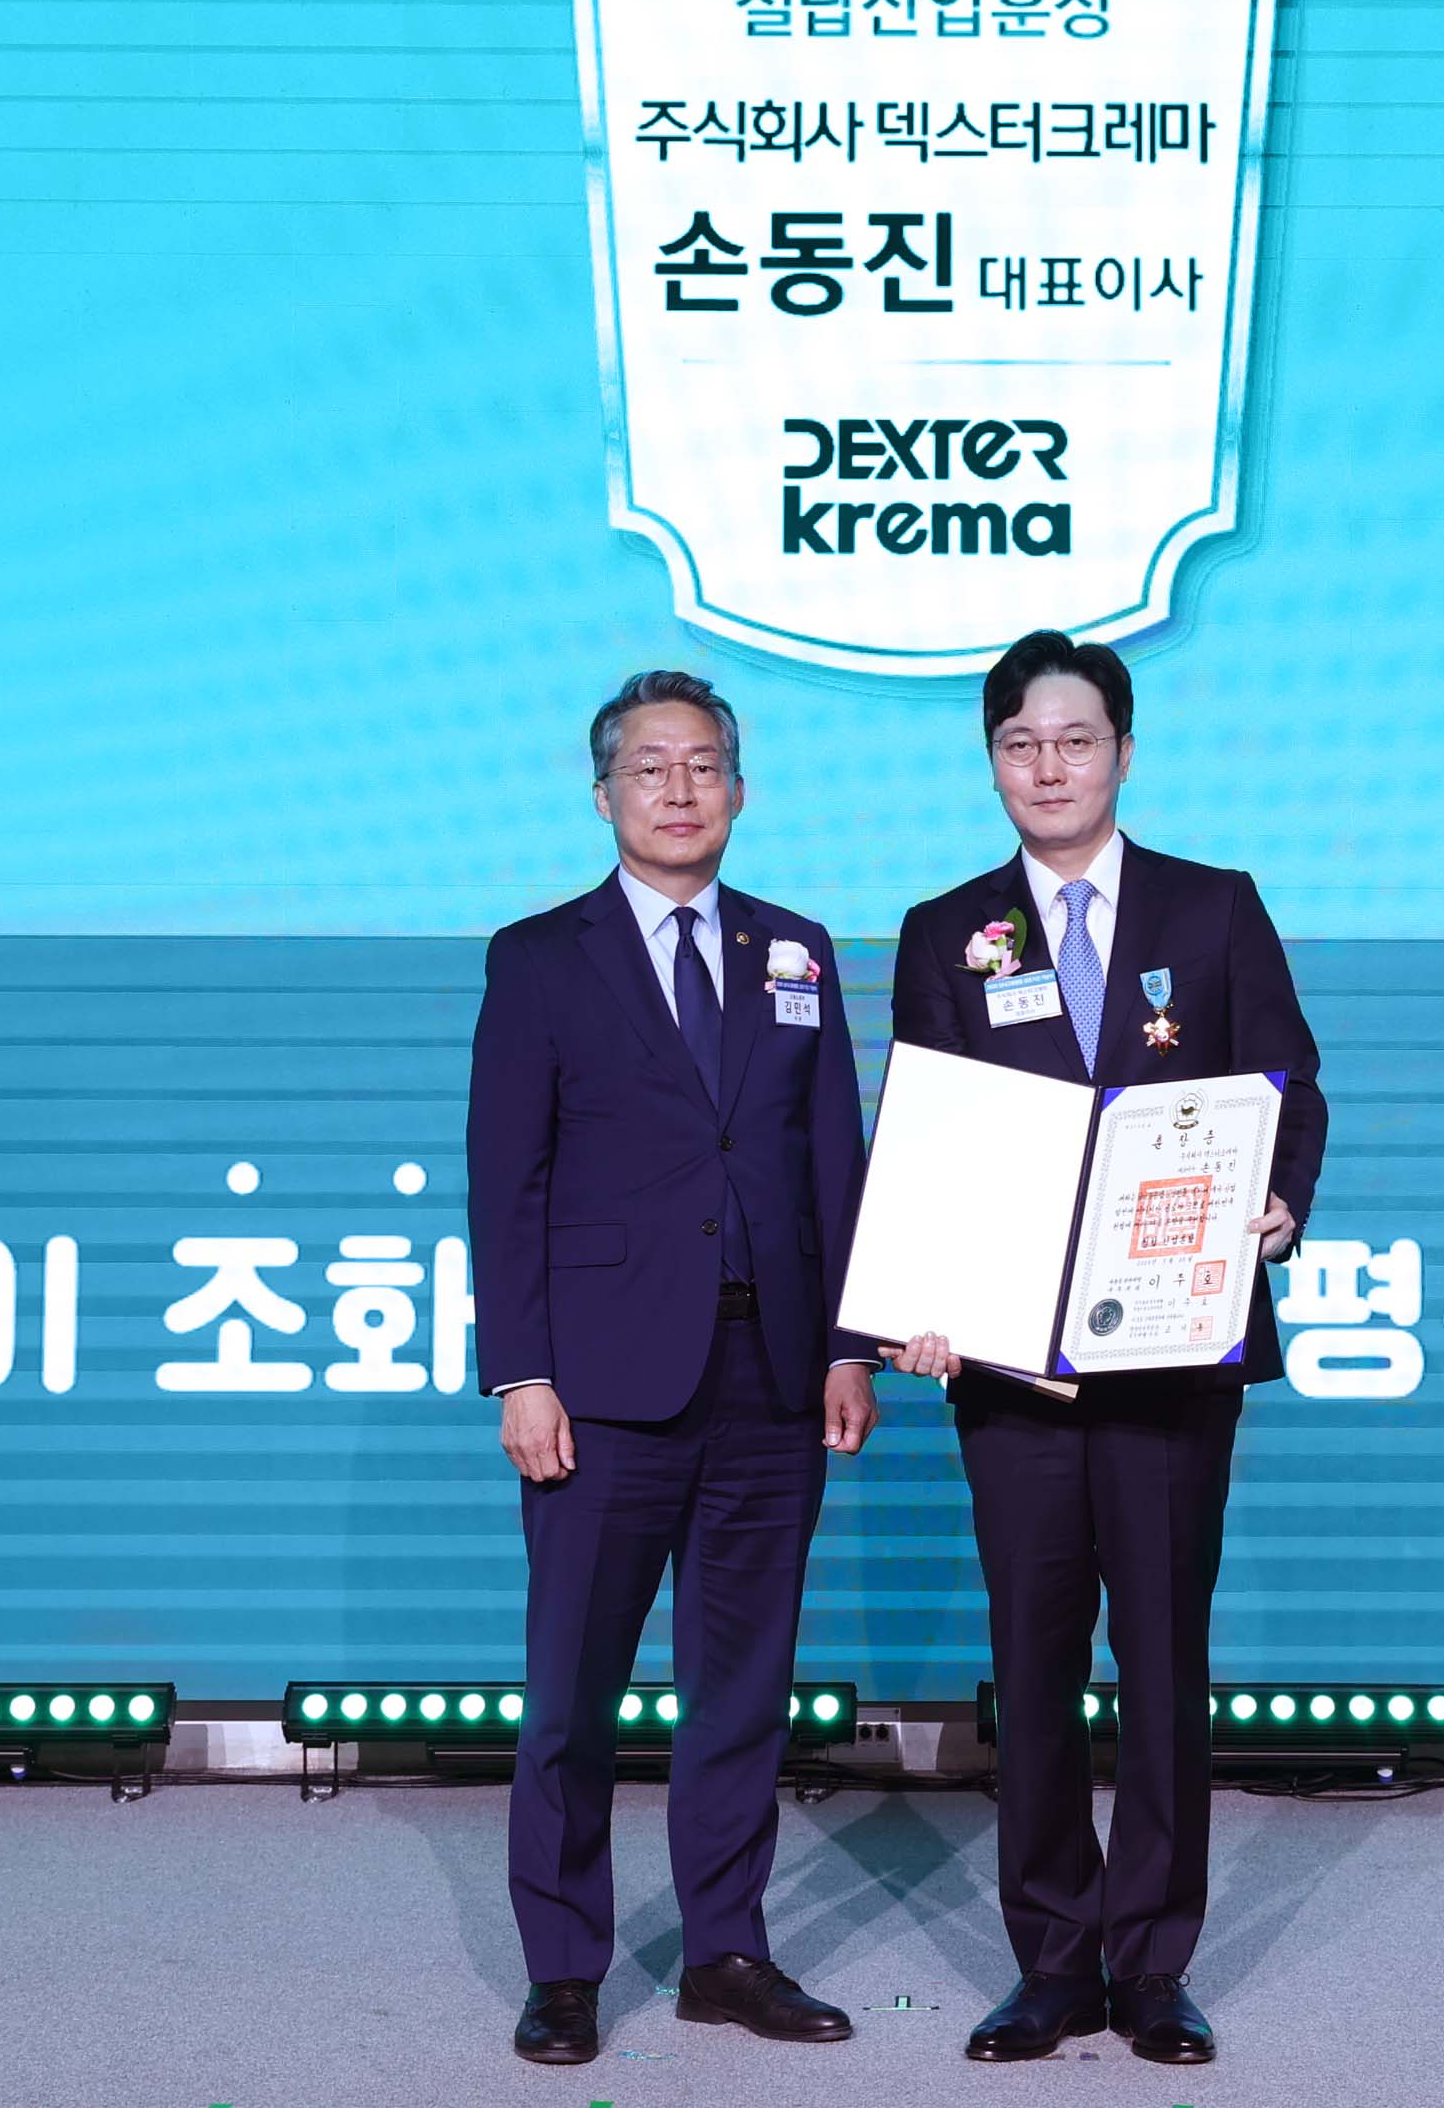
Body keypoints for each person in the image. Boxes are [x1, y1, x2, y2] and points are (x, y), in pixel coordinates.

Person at [887, 630, 1324, 2068]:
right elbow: (929, 1143)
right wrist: (921, 1297)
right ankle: (1052, 1962)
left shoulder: (1213, 907)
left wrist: (1277, 1201)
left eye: (1076, 740)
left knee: (1162, 1656)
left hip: (1173, 1352)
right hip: (1012, 1371)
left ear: (1124, 753)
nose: (1050, 766)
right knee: (1031, 1661)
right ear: (991, 763)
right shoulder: (947, 932)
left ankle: (1151, 1963)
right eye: (1021, 743)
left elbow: (1289, 1083)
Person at [464, 669, 881, 2067]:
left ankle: (725, 1952)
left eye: (703, 765)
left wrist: (848, 1345)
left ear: (739, 791)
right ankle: (564, 1967)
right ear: (604, 797)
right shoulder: (540, 957)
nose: (679, 789)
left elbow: (833, 1162)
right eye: (651, 768)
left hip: (773, 1378)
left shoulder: (795, 950)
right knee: (572, 1694)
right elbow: (506, 1179)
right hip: (600, 1388)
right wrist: (522, 1372)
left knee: (743, 1689)